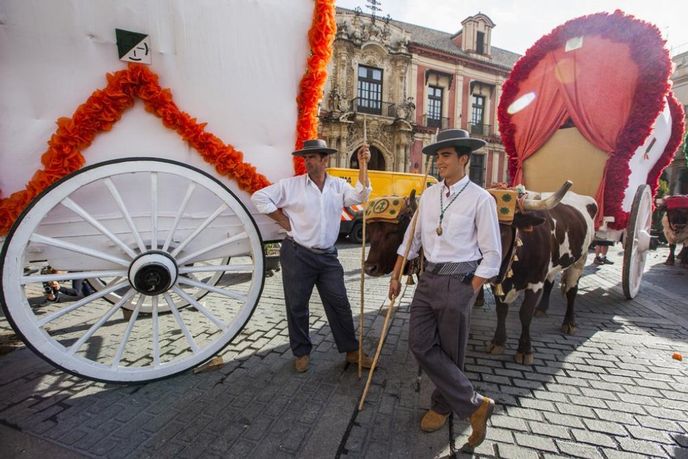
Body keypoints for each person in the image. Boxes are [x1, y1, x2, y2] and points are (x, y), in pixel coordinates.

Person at [387, 129, 501, 448]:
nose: (439, 161)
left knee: (451, 351)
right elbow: (412, 239)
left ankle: (442, 405)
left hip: (458, 280)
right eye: (437, 156)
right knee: (420, 344)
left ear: (464, 159)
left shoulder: (480, 199)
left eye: (446, 155)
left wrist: (471, 289)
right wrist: (397, 274)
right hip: (427, 279)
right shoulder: (429, 194)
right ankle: (475, 404)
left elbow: (492, 254)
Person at [251, 139, 374, 373]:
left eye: (311, 157)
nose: (306, 161)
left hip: (328, 258)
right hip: (298, 254)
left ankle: (352, 351)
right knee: (297, 306)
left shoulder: (338, 186)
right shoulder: (291, 186)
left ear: (324, 159)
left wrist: (362, 164)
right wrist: (282, 220)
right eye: (304, 158)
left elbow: (361, 196)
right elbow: (259, 198)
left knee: (340, 303)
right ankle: (301, 352)